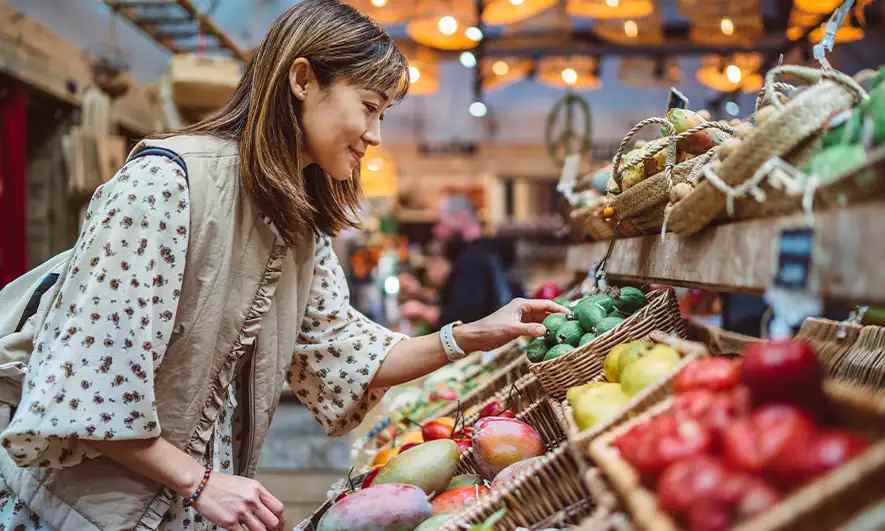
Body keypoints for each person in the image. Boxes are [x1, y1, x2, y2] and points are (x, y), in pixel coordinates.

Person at [0, 1, 565, 530]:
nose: (374, 134)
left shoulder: (295, 221)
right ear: (301, 80)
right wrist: (199, 482)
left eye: (384, 114)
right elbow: (83, 392)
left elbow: (345, 355)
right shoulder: (164, 185)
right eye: (369, 107)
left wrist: (475, 335)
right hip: (81, 512)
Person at [401, 196, 526, 330]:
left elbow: (464, 319)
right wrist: (421, 294)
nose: (436, 230)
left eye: (440, 222)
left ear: (461, 218)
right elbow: (462, 300)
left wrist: (422, 311)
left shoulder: (473, 259)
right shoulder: (485, 251)